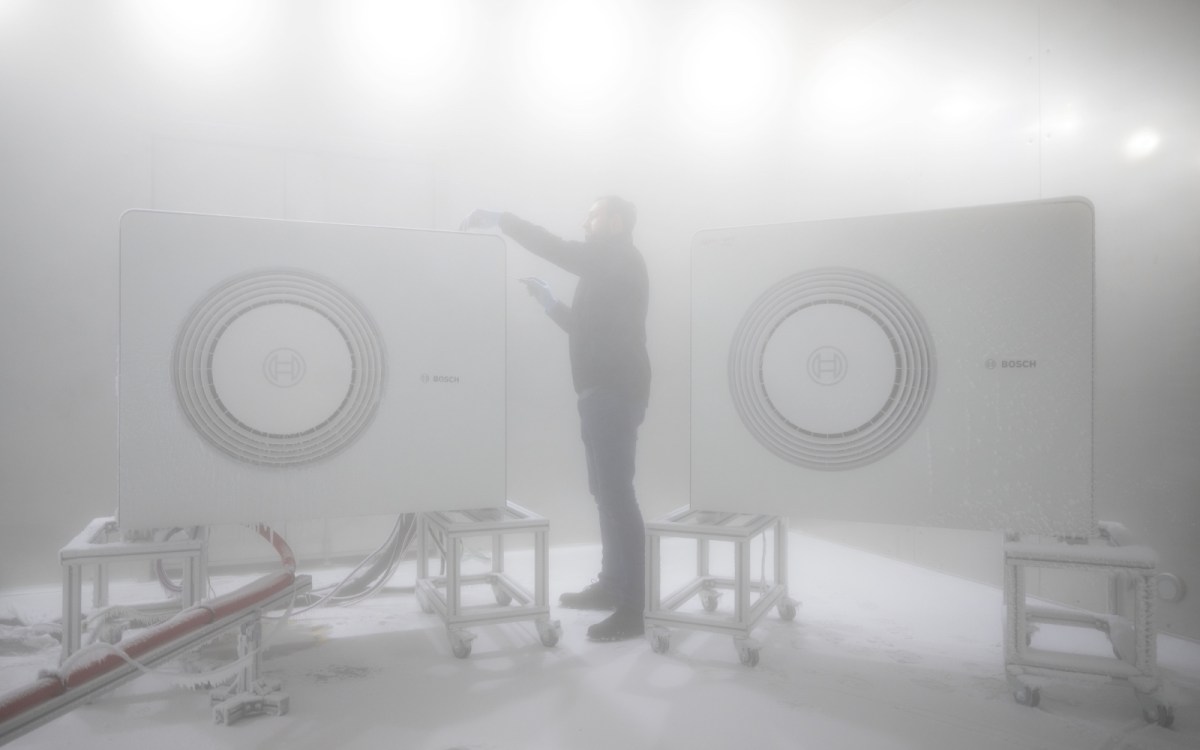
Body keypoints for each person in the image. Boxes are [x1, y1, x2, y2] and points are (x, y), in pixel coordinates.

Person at [461, 197, 650, 641]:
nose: (586, 221)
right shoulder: (606, 266)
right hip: (599, 392)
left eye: (594, 214)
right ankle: (613, 585)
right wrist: (550, 305)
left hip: (614, 393)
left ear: (616, 222)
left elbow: (554, 246)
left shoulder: (616, 255)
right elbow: (588, 329)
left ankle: (635, 607)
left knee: (617, 497)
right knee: (605, 493)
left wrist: (502, 219)